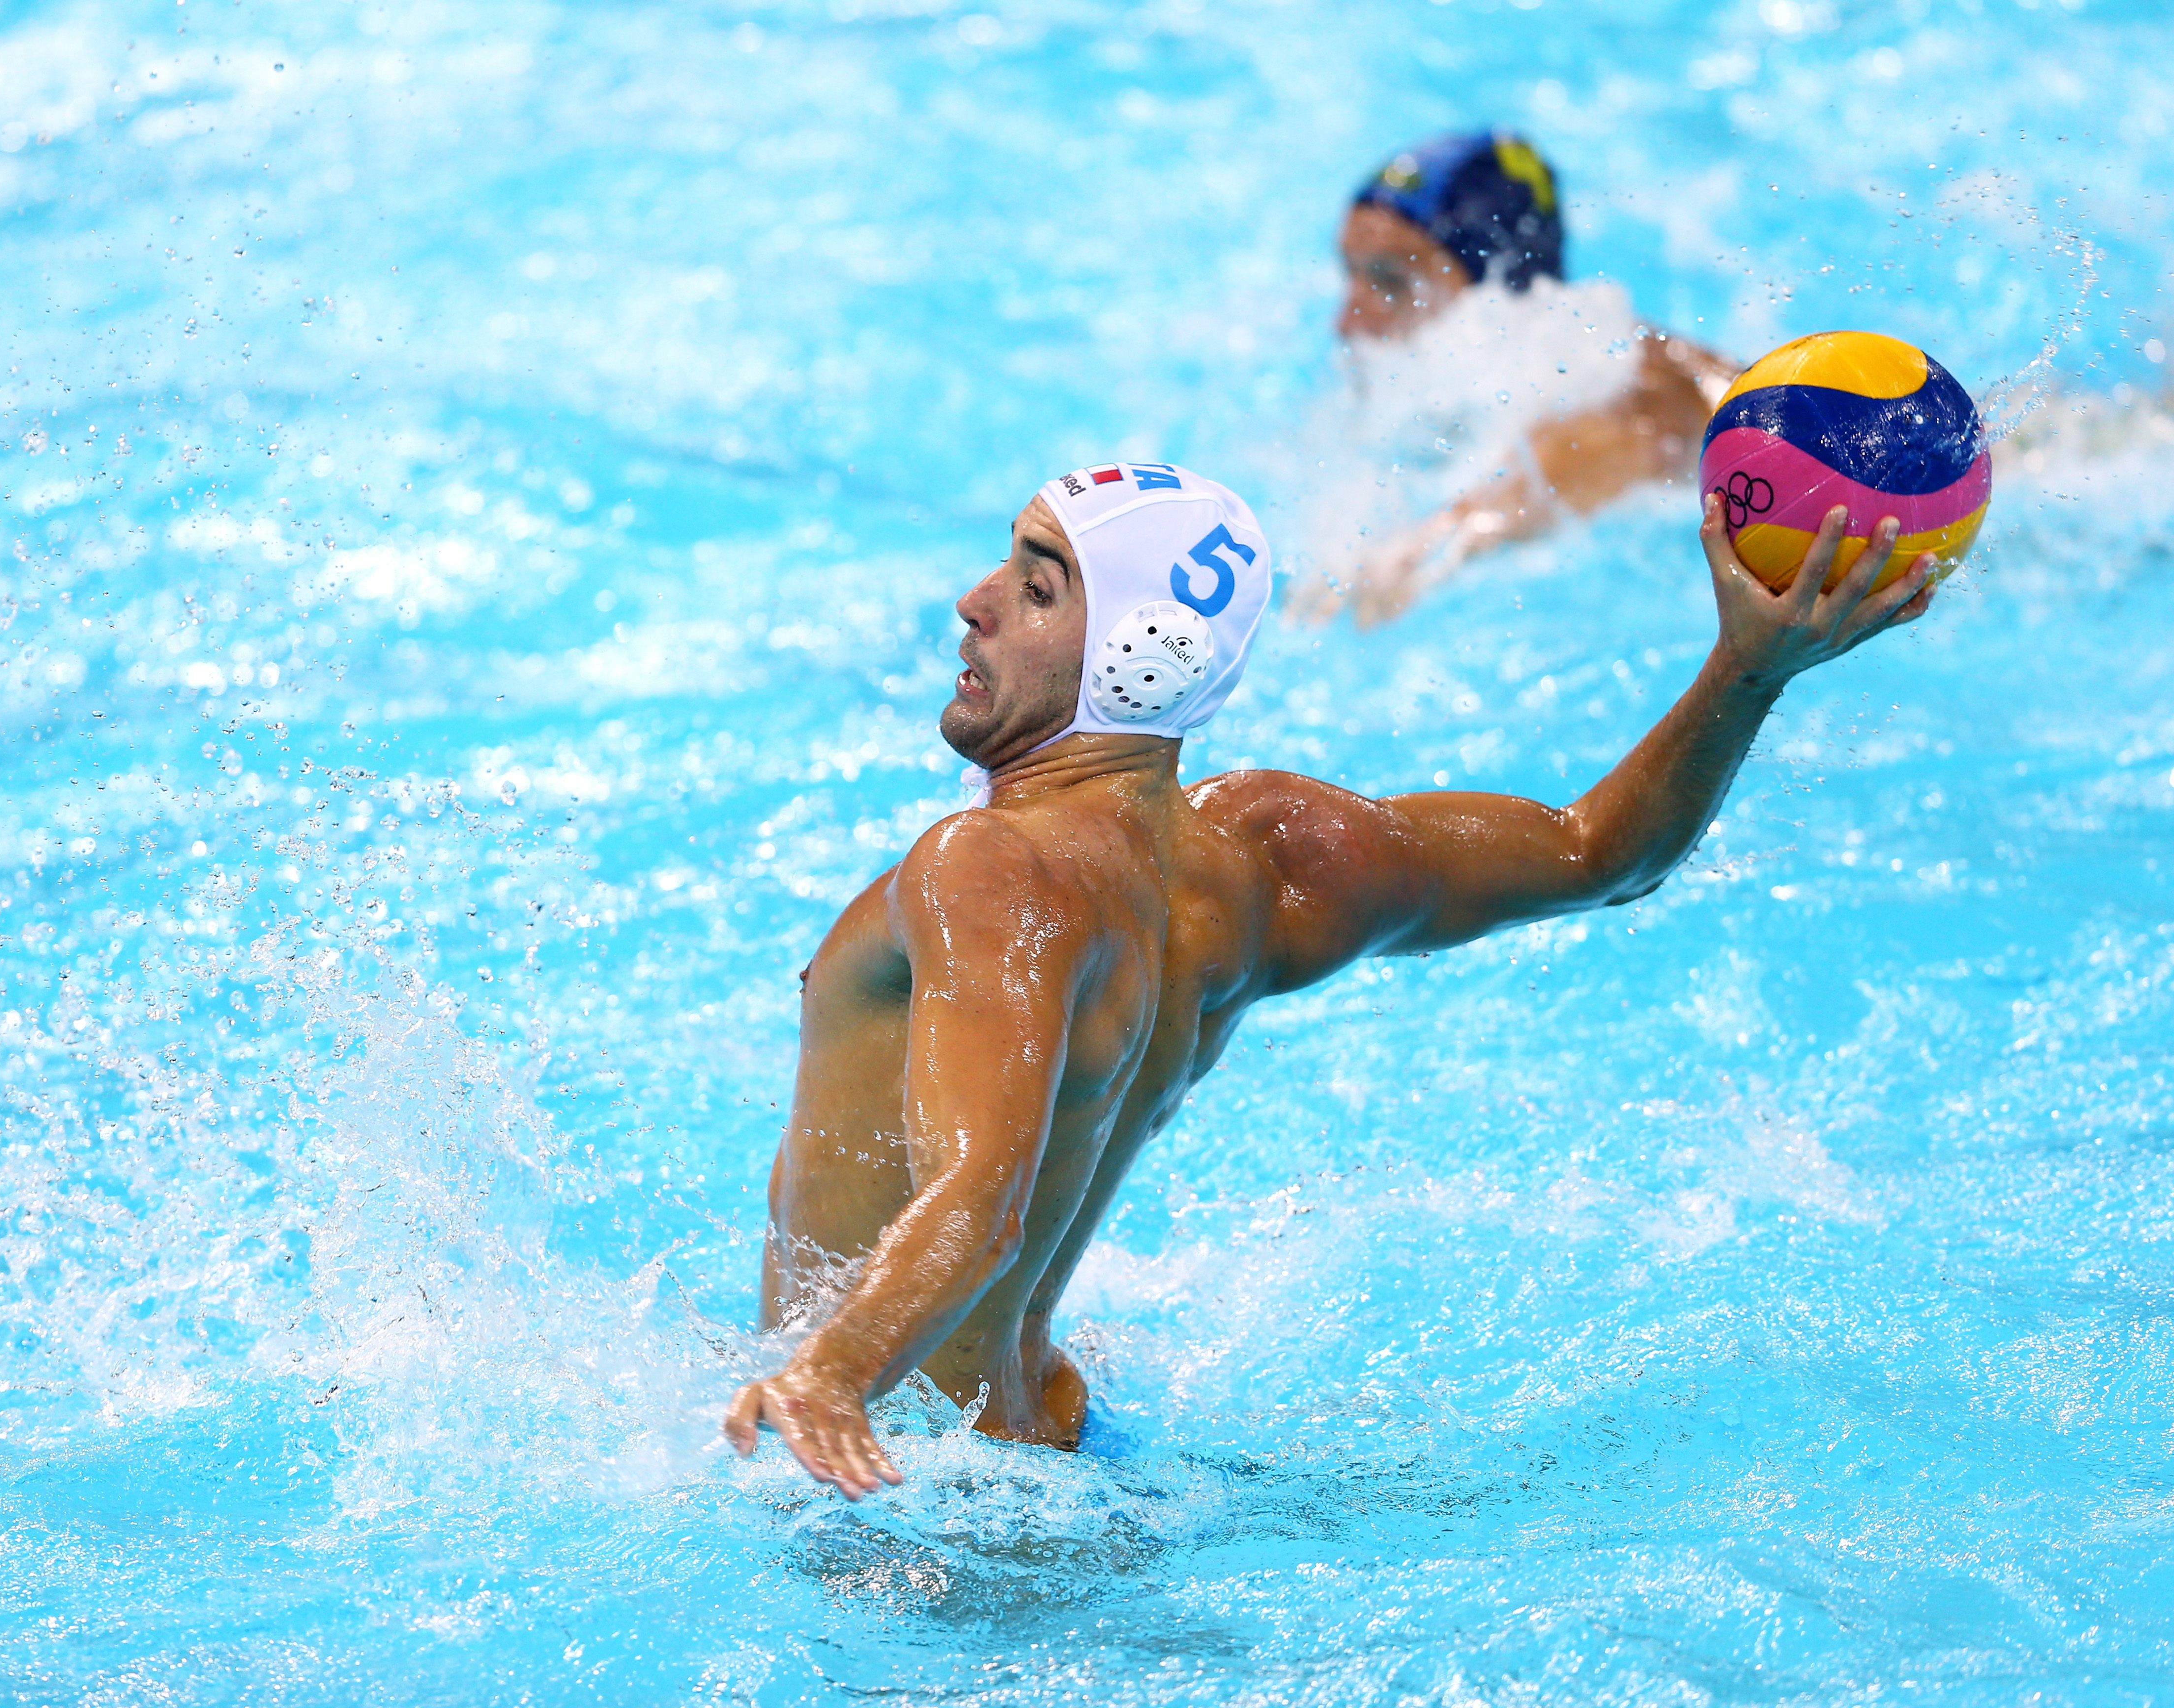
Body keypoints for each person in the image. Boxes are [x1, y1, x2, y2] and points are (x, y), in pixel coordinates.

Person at [723, 459, 1938, 1498]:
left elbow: (979, 1202)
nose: (972, 603)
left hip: (903, 1490)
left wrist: (830, 1375)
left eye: (1036, 587)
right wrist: (1749, 666)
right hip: (1060, 1448)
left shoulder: (983, 868)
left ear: (1143, 656)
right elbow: (1597, 856)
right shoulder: (1257, 864)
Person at [1298, 130, 1737, 625]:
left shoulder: (1618, 365)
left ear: (1493, 285)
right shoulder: (1448, 387)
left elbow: (1615, 434)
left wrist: (1449, 535)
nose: (1348, 321)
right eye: (1351, 275)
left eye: (1389, 281)